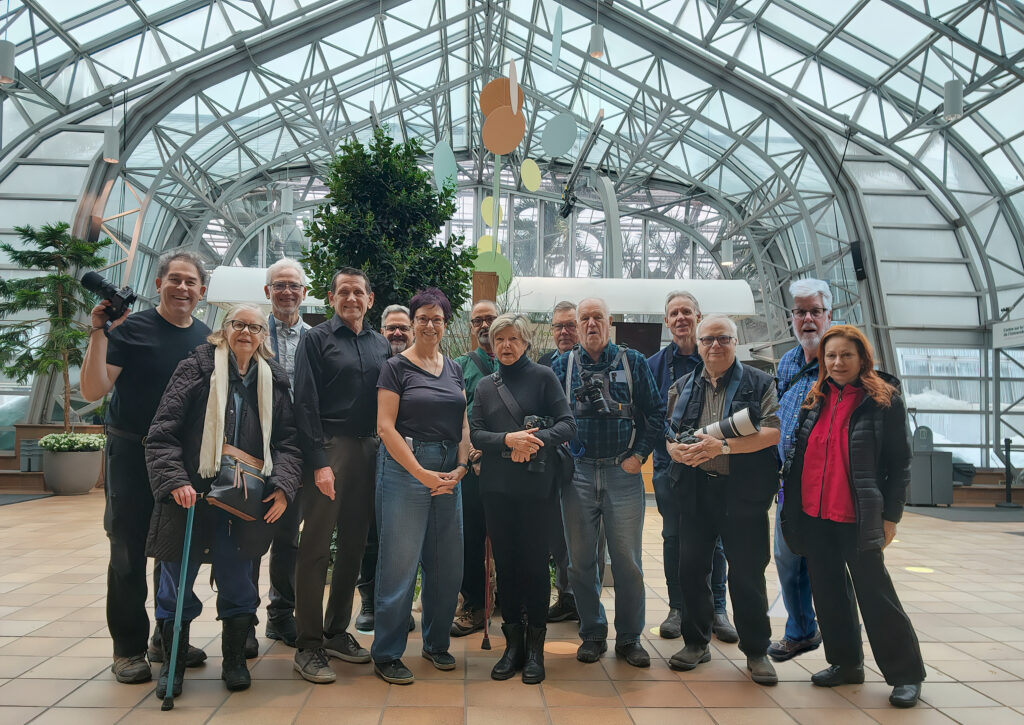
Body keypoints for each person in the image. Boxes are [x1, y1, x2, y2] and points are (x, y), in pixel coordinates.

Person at [144, 304, 302, 697]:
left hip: (243, 501)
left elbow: (287, 442)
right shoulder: (195, 370)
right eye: (238, 324)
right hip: (190, 497)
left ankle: (234, 660)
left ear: (264, 336)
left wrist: (283, 486)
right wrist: (175, 481)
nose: (246, 332)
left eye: (255, 327)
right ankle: (173, 664)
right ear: (223, 329)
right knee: (175, 584)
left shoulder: (273, 380)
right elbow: (162, 433)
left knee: (239, 580)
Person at [80, 250, 212, 685]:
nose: (182, 288)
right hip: (131, 454)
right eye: (174, 279)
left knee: (172, 551)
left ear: (202, 291)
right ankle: (128, 649)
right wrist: (98, 333)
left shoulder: (206, 339)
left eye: (190, 282)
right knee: (128, 551)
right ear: (159, 284)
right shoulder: (130, 329)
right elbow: (94, 389)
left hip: (177, 461)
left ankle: (165, 638)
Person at [781, 325, 925, 708]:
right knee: (829, 595)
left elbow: (900, 464)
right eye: (830, 356)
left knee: (876, 595)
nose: (837, 362)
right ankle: (845, 664)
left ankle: (906, 675)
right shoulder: (815, 397)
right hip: (815, 515)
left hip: (857, 516)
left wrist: (891, 516)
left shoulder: (883, 401)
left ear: (862, 358)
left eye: (846, 355)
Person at [665, 314, 780, 686]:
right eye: (708, 339)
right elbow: (671, 433)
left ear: (736, 342)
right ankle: (695, 643)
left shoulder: (760, 382)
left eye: (723, 338)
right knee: (691, 569)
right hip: (696, 490)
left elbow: (773, 432)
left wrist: (724, 446)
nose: (715, 345)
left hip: (743, 492)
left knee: (747, 573)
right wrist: (674, 450)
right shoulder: (682, 386)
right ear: (698, 345)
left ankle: (757, 651)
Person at [551, 297, 664, 668]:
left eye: (597, 317)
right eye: (584, 318)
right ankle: (593, 633)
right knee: (581, 562)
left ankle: (630, 637)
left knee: (628, 562)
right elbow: (550, 416)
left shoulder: (632, 362)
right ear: (577, 324)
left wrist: (639, 455)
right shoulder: (562, 365)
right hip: (578, 474)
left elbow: (656, 413)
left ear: (609, 321)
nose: (590, 324)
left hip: (622, 472)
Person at [291, 268, 391, 683]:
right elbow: (304, 402)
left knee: (354, 544)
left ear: (370, 299)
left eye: (358, 292)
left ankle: (335, 632)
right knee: (316, 546)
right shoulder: (316, 340)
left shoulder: (381, 344)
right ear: (331, 298)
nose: (351, 298)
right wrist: (318, 461)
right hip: (330, 448)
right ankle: (308, 643)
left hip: (371, 450)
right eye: (343, 291)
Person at [470, 314, 576, 684]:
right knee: (507, 565)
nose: (506, 345)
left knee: (534, 565)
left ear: (526, 341)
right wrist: (507, 440)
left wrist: (532, 440)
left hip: (535, 488)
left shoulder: (543, 377)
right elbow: (476, 433)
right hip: (496, 488)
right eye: (499, 339)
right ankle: (512, 645)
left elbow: (568, 424)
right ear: (491, 344)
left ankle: (535, 650)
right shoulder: (486, 386)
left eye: (514, 338)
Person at [372, 288, 471, 685]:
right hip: (405, 468)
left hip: (449, 470)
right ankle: (387, 653)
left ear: (446, 324)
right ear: (412, 323)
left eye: (438, 319)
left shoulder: (454, 368)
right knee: (399, 565)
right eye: (423, 318)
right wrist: (420, 472)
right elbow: (385, 427)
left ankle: (436, 642)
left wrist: (462, 466)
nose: (430, 325)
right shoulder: (395, 368)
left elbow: (462, 422)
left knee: (447, 565)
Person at [646, 291, 735, 642]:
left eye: (687, 311)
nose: (680, 318)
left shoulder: (716, 355)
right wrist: (669, 446)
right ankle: (677, 608)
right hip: (670, 467)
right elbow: (651, 415)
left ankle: (717, 609)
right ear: (666, 322)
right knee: (673, 536)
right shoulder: (654, 365)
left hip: (715, 466)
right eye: (674, 313)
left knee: (716, 539)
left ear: (698, 317)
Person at [768, 279, 830, 662]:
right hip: (788, 483)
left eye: (815, 311)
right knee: (788, 560)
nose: (807, 319)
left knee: (828, 568)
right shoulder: (788, 361)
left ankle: (844, 649)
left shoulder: (839, 361)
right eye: (800, 312)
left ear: (828, 315)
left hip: (827, 487)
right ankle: (802, 631)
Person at [254, 258, 311, 649]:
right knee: (245, 533)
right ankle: (241, 617)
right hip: (254, 447)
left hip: (297, 451)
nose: (287, 292)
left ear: (304, 293)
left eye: (293, 286)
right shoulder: (254, 333)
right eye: (280, 285)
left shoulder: (315, 338)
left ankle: (280, 613)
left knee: (288, 535)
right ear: (268, 291)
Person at [355, 304, 415, 633]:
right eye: (391, 327)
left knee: (404, 537)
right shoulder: (371, 366)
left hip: (410, 463)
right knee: (371, 534)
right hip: (370, 457)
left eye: (403, 327)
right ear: (381, 331)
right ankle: (369, 601)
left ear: (413, 331)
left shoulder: (422, 365)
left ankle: (399, 605)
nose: (397, 333)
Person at [451, 299, 499, 637]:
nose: (484, 325)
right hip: (471, 464)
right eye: (477, 320)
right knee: (469, 537)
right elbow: (454, 414)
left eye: (490, 318)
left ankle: (510, 601)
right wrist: (468, 452)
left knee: (512, 535)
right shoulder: (459, 366)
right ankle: (474, 605)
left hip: (510, 464)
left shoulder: (517, 363)